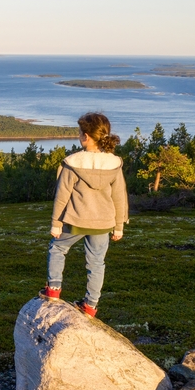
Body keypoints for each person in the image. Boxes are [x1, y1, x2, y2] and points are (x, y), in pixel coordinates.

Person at [42, 112, 128, 317]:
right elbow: (119, 196)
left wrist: (56, 223)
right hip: (103, 223)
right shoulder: (114, 163)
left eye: (80, 132)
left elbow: (62, 195)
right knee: (97, 262)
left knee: (58, 248)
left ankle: (53, 290)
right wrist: (119, 226)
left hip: (76, 220)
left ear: (86, 136)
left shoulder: (73, 162)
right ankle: (90, 305)